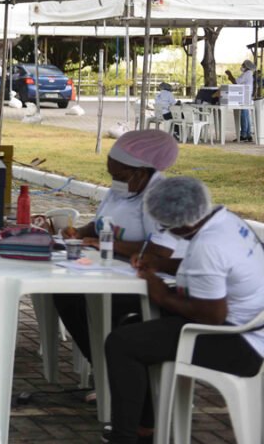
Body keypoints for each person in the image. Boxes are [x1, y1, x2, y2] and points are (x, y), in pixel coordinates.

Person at [103, 177, 264, 444]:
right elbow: (205, 270)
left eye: (167, 228)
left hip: (240, 343)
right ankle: (145, 424)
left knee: (121, 343)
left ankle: (125, 437)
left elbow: (211, 315)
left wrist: (160, 294)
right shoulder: (224, 221)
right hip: (252, 326)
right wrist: (159, 263)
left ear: (182, 225)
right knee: (132, 324)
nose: (167, 233)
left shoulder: (209, 246)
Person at [53, 130, 181, 382]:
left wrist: (104, 244)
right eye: (111, 175)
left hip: (154, 282)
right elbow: (100, 224)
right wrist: (79, 232)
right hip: (112, 271)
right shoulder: (122, 189)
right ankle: (103, 369)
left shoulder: (163, 197)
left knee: (92, 302)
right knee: (65, 294)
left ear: (142, 172)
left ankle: (115, 376)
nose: (115, 182)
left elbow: (160, 252)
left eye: (120, 176)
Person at [225, 59, 256, 142]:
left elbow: (236, 82)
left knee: (243, 115)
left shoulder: (247, 74)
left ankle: (244, 135)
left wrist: (230, 75)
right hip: (246, 97)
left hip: (244, 97)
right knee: (246, 115)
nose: (242, 66)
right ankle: (248, 135)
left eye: (243, 65)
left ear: (246, 66)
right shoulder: (249, 74)